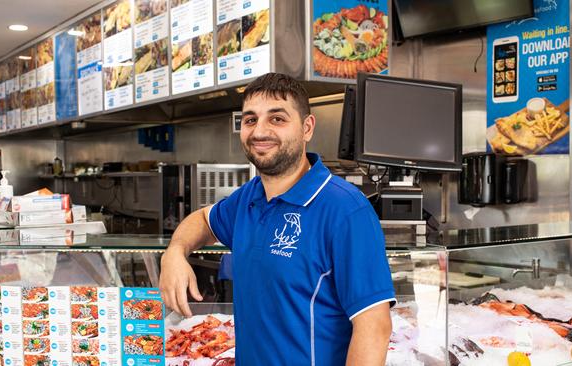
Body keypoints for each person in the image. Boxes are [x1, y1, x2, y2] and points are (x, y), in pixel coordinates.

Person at [160, 73, 395, 365]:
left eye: (277, 119)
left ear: (307, 128)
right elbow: (204, 221)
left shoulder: (345, 209)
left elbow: (374, 326)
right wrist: (175, 252)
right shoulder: (248, 197)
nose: (260, 131)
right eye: (250, 120)